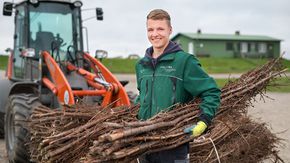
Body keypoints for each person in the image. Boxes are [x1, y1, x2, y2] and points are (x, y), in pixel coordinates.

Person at [135, 9, 221, 163]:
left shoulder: (185, 62)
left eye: (160, 29)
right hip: (144, 145)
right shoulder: (141, 65)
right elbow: (142, 97)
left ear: (170, 30)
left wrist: (204, 121)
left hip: (174, 144)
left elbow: (211, 91)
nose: (155, 34)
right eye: (150, 29)